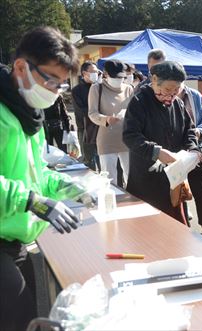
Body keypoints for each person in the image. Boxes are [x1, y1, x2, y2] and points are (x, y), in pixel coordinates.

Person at [0, 26, 92, 330]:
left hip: (18, 240)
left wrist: (73, 189)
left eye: (61, 85)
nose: (55, 91)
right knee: (18, 317)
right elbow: (28, 192)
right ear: (21, 67)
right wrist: (33, 201)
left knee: (30, 316)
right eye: (50, 80)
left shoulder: (29, 116)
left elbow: (35, 175)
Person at [123, 61, 199, 224]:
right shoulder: (139, 102)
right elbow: (130, 136)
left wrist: (193, 148)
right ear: (154, 80)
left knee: (176, 227)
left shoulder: (177, 103)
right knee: (147, 228)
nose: (171, 95)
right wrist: (156, 152)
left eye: (176, 90)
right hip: (146, 179)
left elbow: (189, 130)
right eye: (167, 89)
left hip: (174, 178)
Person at [178, 84, 202, 238]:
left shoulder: (194, 95)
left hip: (194, 148)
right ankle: (181, 224)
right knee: (176, 190)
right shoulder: (157, 94)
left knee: (201, 190)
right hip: (170, 150)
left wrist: (200, 131)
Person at [88, 60, 133, 187]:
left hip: (127, 138)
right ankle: (111, 204)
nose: (119, 80)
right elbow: (92, 113)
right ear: (106, 74)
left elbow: (134, 112)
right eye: (116, 77)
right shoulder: (97, 88)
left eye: (122, 77)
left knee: (131, 177)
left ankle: (132, 203)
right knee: (109, 180)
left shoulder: (128, 89)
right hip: (107, 139)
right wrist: (106, 119)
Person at [71, 61, 100, 170]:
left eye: (97, 72)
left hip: (100, 128)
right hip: (85, 129)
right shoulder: (76, 90)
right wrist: (97, 114)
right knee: (89, 161)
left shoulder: (100, 87)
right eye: (93, 72)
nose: (96, 74)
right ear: (84, 73)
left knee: (102, 159)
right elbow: (81, 111)